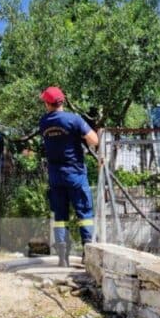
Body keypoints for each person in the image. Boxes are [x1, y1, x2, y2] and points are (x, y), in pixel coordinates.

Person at [38, 86, 99, 267]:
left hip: (55, 177)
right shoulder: (74, 119)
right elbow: (94, 140)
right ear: (62, 101)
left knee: (60, 217)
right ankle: (88, 256)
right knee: (85, 214)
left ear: (47, 103)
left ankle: (62, 258)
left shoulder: (43, 122)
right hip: (75, 175)